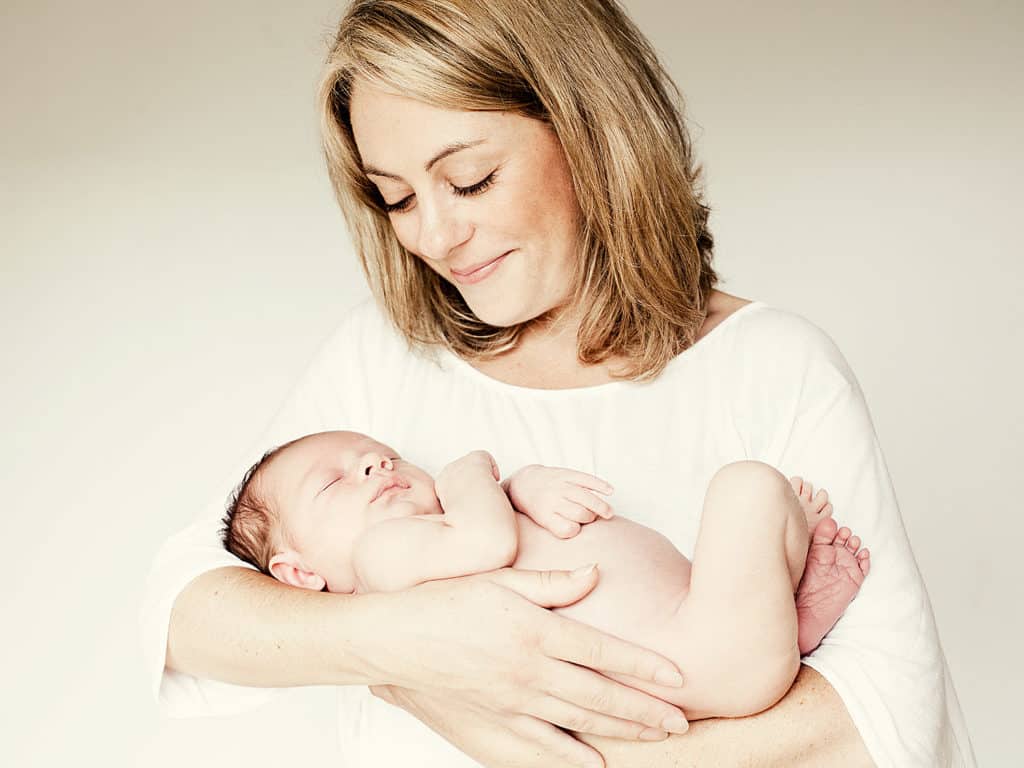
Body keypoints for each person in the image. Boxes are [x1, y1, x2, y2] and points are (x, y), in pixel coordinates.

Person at [140, 1, 975, 766]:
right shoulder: (384, 355)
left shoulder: (775, 366)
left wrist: (520, 738)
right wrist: (410, 649)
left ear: (589, 134)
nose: (433, 234)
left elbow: (879, 714)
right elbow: (188, 612)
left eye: (469, 180)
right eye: (394, 199)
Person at [220, 429, 870, 719]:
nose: (376, 467)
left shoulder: (432, 542)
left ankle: (789, 618)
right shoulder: (380, 559)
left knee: (751, 501)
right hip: (696, 657)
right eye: (337, 480)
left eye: (384, 457)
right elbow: (489, 537)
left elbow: (488, 536)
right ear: (301, 572)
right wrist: (473, 470)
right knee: (749, 486)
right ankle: (779, 612)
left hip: (703, 633)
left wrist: (522, 489)